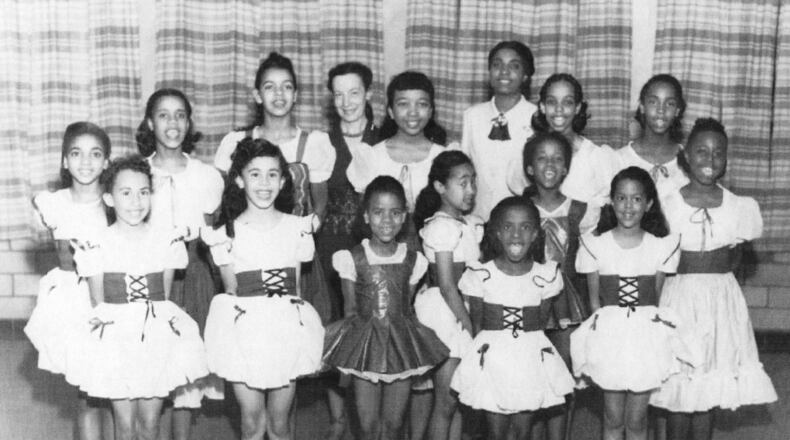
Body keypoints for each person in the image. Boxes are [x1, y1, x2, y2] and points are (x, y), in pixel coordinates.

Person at [649, 118, 777, 440]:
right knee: (681, 390)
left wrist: (714, 274)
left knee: (707, 392)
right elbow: (658, 256)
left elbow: (735, 257)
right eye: (701, 152)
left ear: (726, 159)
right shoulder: (667, 201)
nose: (710, 160)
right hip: (679, 300)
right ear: (687, 156)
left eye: (718, 153)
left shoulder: (738, 207)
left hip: (719, 304)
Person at [65, 155, 208, 440]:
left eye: (143, 192)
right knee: (125, 424)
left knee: (150, 423)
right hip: (117, 342)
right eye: (126, 193)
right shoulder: (96, 242)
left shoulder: (166, 239)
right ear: (108, 198)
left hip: (155, 339)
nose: (136, 201)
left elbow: (164, 300)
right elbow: (98, 302)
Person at [202, 139, 324, 440]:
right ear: (240, 180)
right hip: (246, 336)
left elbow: (295, 290)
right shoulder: (224, 235)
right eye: (255, 174)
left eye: (272, 174)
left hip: (285, 332)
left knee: (280, 423)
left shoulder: (298, 227)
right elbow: (231, 291)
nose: (264, 183)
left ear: (283, 181)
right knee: (252, 422)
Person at [214, 51, 336, 323]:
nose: (279, 94)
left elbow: (320, 205)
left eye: (287, 86)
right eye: (270, 87)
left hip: (295, 257)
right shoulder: (236, 140)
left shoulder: (314, 143)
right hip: (248, 255)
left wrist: (297, 236)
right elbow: (225, 200)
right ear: (257, 95)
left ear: (296, 95)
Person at [324, 175, 449, 440]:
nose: (387, 220)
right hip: (364, 344)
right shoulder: (352, 258)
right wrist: (349, 360)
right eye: (378, 213)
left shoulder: (414, 261)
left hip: (400, 344)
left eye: (395, 213)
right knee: (368, 425)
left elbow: (406, 306)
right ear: (367, 216)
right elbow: (349, 309)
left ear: (404, 217)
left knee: (393, 425)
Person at [571, 167, 692, 440]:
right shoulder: (594, 245)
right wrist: (600, 343)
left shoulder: (661, 247)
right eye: (622, 198)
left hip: (644, 341)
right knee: (613, 417)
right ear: (612, 202)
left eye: (636, 199)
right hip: (609, 340)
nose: (628, 206)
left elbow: (656, 301)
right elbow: (594, 304)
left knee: (637, 420)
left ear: (648, 204)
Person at [135, 88, 224, 440]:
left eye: (180, 115)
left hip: (194, 275)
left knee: (187, 366)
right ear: (149, 122)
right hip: (150, 277)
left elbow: (213, 233)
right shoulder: (137, 172)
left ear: (189, 123)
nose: (172, 123)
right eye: (163, 115)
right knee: (154, 366)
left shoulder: (207, 176)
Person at [451, 196, 575, 440]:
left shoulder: (545, 275)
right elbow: (477, 324)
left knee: (522, 431)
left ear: (536, 235)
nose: (516, 235)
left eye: (525, 227)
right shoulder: (481, 274)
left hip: (529, 360)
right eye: (508, 227)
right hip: (493, 360)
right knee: (497, 432)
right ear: (496, 232)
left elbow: (539, 322)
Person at [24, 121, 114, 440]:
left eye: (95, 154)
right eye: (76, 153)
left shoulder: (116, 202)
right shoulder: (54, 204)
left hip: (112, 299)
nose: (86, 162)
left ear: (107, 161)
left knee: (116, 393)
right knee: (87, 392)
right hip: (74, 305)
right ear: (64, 161)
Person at [521, 132, 600, 440]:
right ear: (529, 168)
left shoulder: (582, 210)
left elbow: (592, 259)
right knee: (531, 372)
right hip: (528, 296)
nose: (550, 164)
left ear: (567, 168)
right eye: (542, 158)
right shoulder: (519, 207)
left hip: (568, 300)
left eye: (557, 159)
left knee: (562, 374)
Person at [320, 62, 381, 440]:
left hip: (376, 248)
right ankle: (339, 417)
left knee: (375, 326)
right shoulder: (322, 143)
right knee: (338, 327)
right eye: (338, 94)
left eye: (354, 92)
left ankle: (371, 420)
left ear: (369, 94)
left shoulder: (385, 139)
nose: (346, 102)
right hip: (331, 246)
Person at [411, 150, 482, 440]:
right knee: (445, 401)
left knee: (457, 400)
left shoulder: (468, 224)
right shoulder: (440, 227)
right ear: (440, 187)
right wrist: (470, 324)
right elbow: (446, 284)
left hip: (460, 309)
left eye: (473, 182)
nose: (471, 190)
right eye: (462, 183)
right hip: (446, 314)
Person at [346, 70, 448, 249]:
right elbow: (365, 218)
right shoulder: (373, 157)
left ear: (431, 111)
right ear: (391, 111)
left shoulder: (443, 157)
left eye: (422, 104)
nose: (413, 112)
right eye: (403, 104)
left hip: (436, 252)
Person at [508, 73, 614, 208]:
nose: (559, 109)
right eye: (552, 102)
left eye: (567, 102)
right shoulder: (528, 153)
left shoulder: (596, 158)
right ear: (542, 107)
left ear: (577, 108)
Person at [461, 41, 537, 221]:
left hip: (519, 220)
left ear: (525, 76)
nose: (504, 71)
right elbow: (463, 170)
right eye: (497, 65)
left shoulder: (536, 117)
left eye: (514, 66)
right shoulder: (472, 115)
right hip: (477, 217)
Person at [612, 74, 689, 199]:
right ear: (642, 107)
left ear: (677, 111)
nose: (661, 110)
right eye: (653, 102)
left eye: (669, 104)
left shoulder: (688, 162)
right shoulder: (620, 160)